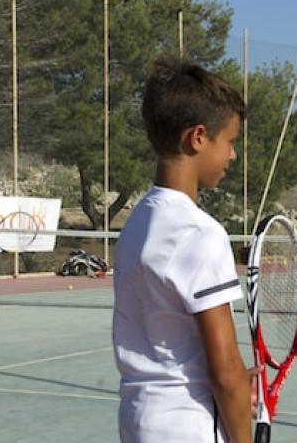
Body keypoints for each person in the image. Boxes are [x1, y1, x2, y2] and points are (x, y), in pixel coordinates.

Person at [112, 57, 254, 443]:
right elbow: (225, 372)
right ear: (197, 138)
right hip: (187, 427)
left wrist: (238, 387)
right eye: (229, 142)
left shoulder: (135, 223)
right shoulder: (201, 234)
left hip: (139, 420)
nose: (231, 156)